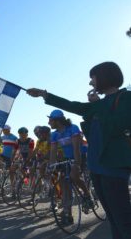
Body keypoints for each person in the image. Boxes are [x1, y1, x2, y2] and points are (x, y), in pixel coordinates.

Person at [27, 61, 131, 239]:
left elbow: (119, 125)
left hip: (114, 166)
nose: (91, 83)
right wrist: (45, 95)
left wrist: (99, 104)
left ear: (105, 77)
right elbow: (72, 105)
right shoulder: (99, 104)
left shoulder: (126, 97)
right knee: (113, 219)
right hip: (96, 166)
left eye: (93, 79)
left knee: (123, 220)